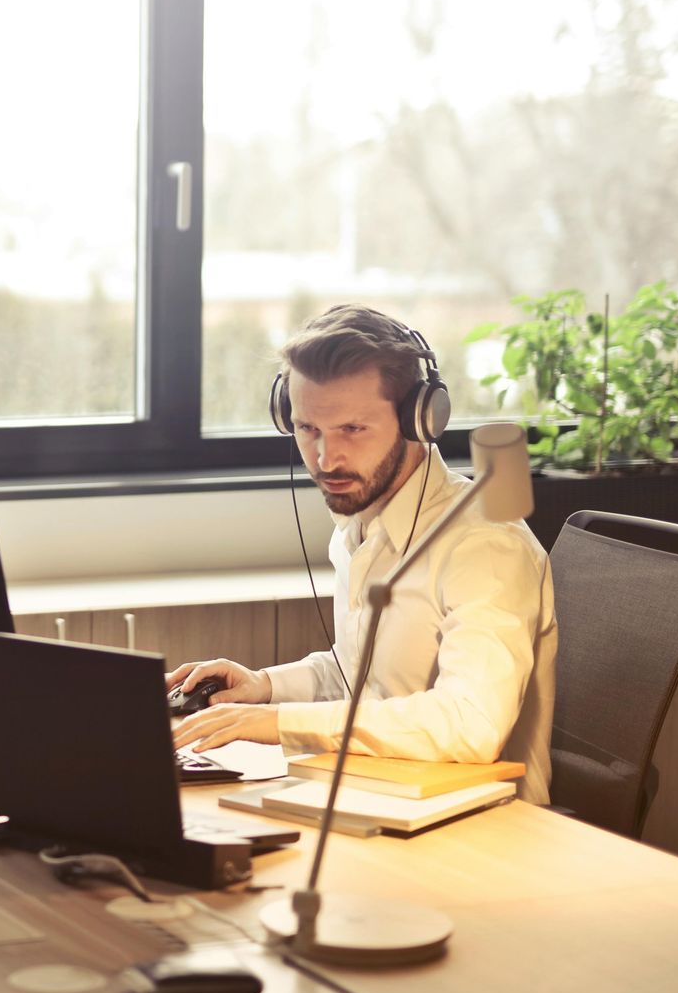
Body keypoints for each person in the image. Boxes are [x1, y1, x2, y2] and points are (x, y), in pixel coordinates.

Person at [169, 304, 556, 803]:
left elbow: (471, 725)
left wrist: (279, 722)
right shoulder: (360, 524)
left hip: (484, 828)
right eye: (308, 430)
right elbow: (363, 677)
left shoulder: (486, 545)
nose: (326, 460)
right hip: (378, 794)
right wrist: (264, 687)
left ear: (420, 419)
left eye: (352, 429)